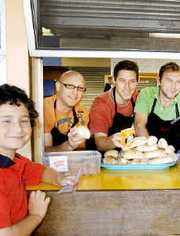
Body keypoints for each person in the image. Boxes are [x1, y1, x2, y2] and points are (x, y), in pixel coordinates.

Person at [0, 84, 74, 235]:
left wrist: (59, 178)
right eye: (6, 121)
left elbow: (40, 171)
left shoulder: (16, 161)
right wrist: (36, 216)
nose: (18, 129)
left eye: (24, 121)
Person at [135, 62, 180, 151]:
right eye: (169, 81)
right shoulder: (146, 94)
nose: (173, 87)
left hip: (176, 154)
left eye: (178, 82)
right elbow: (139, 125)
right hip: (149, 152)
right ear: (159, 80)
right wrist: (153, 152)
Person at [89, 60, 139, 152]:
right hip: (102, 158)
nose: (127, 87)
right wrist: (113, 141)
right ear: (114, 81)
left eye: (132, 81)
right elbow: (100, 143)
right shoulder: (101, 104)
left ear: (137, 82)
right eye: (122, 81)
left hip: (127, 156)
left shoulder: (138, 98)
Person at [44, 70, 89, 152]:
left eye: (80, 88)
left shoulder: (82, 112)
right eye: (70, 86)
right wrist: (69, 146)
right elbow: (46, 152)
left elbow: (80, 149)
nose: (75, 93)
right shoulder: (45, 108)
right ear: (58, 86)